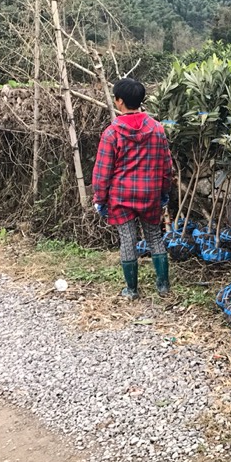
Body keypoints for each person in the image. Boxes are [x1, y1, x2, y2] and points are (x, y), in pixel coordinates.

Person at [92, 78, 172, 300]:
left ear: (119, 101)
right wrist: (164, 192)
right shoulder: (157, 129)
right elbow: (167, 167)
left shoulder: (112, 133)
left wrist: (100, 198)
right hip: (150, 195)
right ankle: (163, 287)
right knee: (155, 237)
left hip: (121, 196)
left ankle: (132, 290)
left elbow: (102, 172)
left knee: (127, 240)